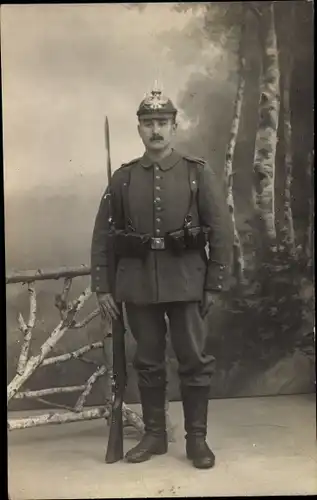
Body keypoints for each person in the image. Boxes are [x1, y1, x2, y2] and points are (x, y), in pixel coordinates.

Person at [91, 87, 233, 469]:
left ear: (174, 127)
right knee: (148, 361)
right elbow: (104, 237)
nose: (156, 131)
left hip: (187, 281)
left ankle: (196, 441)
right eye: (149, 123)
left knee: (194, 360)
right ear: (139, 129)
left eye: (162, 123)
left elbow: (220, 230)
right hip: (136, 283)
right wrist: (103, 286)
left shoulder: (195, 173)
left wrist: (215, 283)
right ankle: (154, 436)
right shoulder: (123, 179)